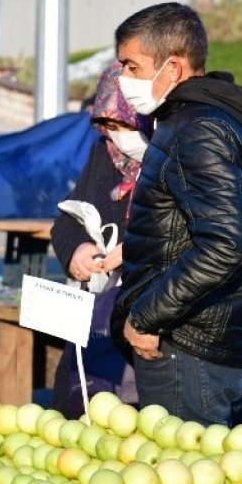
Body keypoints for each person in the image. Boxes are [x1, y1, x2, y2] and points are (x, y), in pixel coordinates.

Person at [110, 2, 242, 427]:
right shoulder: (198, 122)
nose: (123, 79)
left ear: (174, 68)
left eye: (132, 66)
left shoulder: (197, 129)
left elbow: (226, 245)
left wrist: (146, 316)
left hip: (187, 344)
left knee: (188, 481)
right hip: (203, 340)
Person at [49, 61, 147, 417]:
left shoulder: (175, 161)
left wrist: (134, 250)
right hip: (100, 324)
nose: (113, 135)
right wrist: (78, 250)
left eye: (120, 124)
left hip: (150, 330)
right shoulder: (104, 155)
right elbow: (66, 221)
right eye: (105, 126)